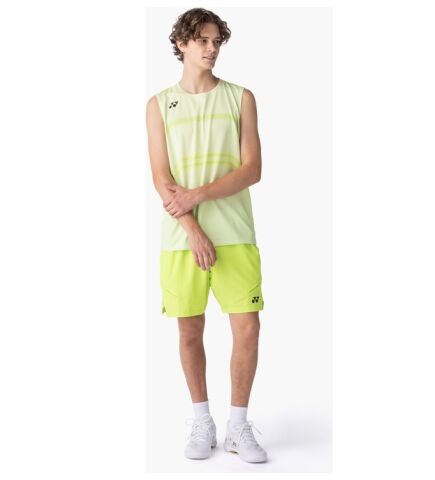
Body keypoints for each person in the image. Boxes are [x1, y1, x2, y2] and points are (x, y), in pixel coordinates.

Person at [146, 8, 267, 463]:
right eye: (202, 40)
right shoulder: (159, 105)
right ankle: (202, 420)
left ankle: (238, 427)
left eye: (217, 41)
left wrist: (197, 195)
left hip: (235, 232)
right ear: (181, 43)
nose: (212, 49)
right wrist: (194, 229)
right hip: (181, 240)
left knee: (248, 327)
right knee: (189, 328)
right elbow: (162, 179)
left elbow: (252, 169)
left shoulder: (241, 98)